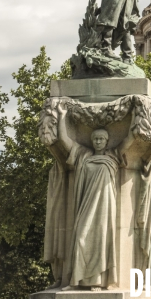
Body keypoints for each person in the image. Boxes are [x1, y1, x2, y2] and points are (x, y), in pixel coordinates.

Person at [56, 102, 135, 291]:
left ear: (107, 141)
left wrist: (135, 115)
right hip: (85, 204)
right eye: (96, 139)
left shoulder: (114, 156)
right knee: (81, 239)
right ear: (92, 141)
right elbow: (64, 140)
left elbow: (130, 138)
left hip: (105, 206)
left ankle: (98, 282)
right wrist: (60, 115)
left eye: (102, 139)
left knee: (101, 242)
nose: (98, 141)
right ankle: (76, 281)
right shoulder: (83, 156)